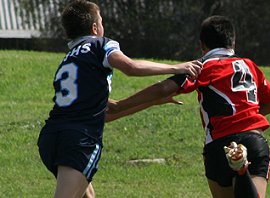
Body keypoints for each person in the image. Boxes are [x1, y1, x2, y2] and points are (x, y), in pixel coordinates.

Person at [37, 0, 201, 197]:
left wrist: (152, 101)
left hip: (50, 138)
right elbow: (130, 67)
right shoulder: (101, 45)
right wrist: (176, 67)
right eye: (102, 21)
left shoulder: (71, 58)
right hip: (79, 140)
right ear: (95, 28)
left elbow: (109, 111)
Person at [107, 15, 270, 198]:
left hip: (218, 147)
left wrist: (120, 105)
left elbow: (163, 89)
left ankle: (240, 168)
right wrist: (247, 115)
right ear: (233, 42)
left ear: (202, 45)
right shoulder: (249, 65)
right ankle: (241, 168)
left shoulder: (202, 67)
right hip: (253, 140)